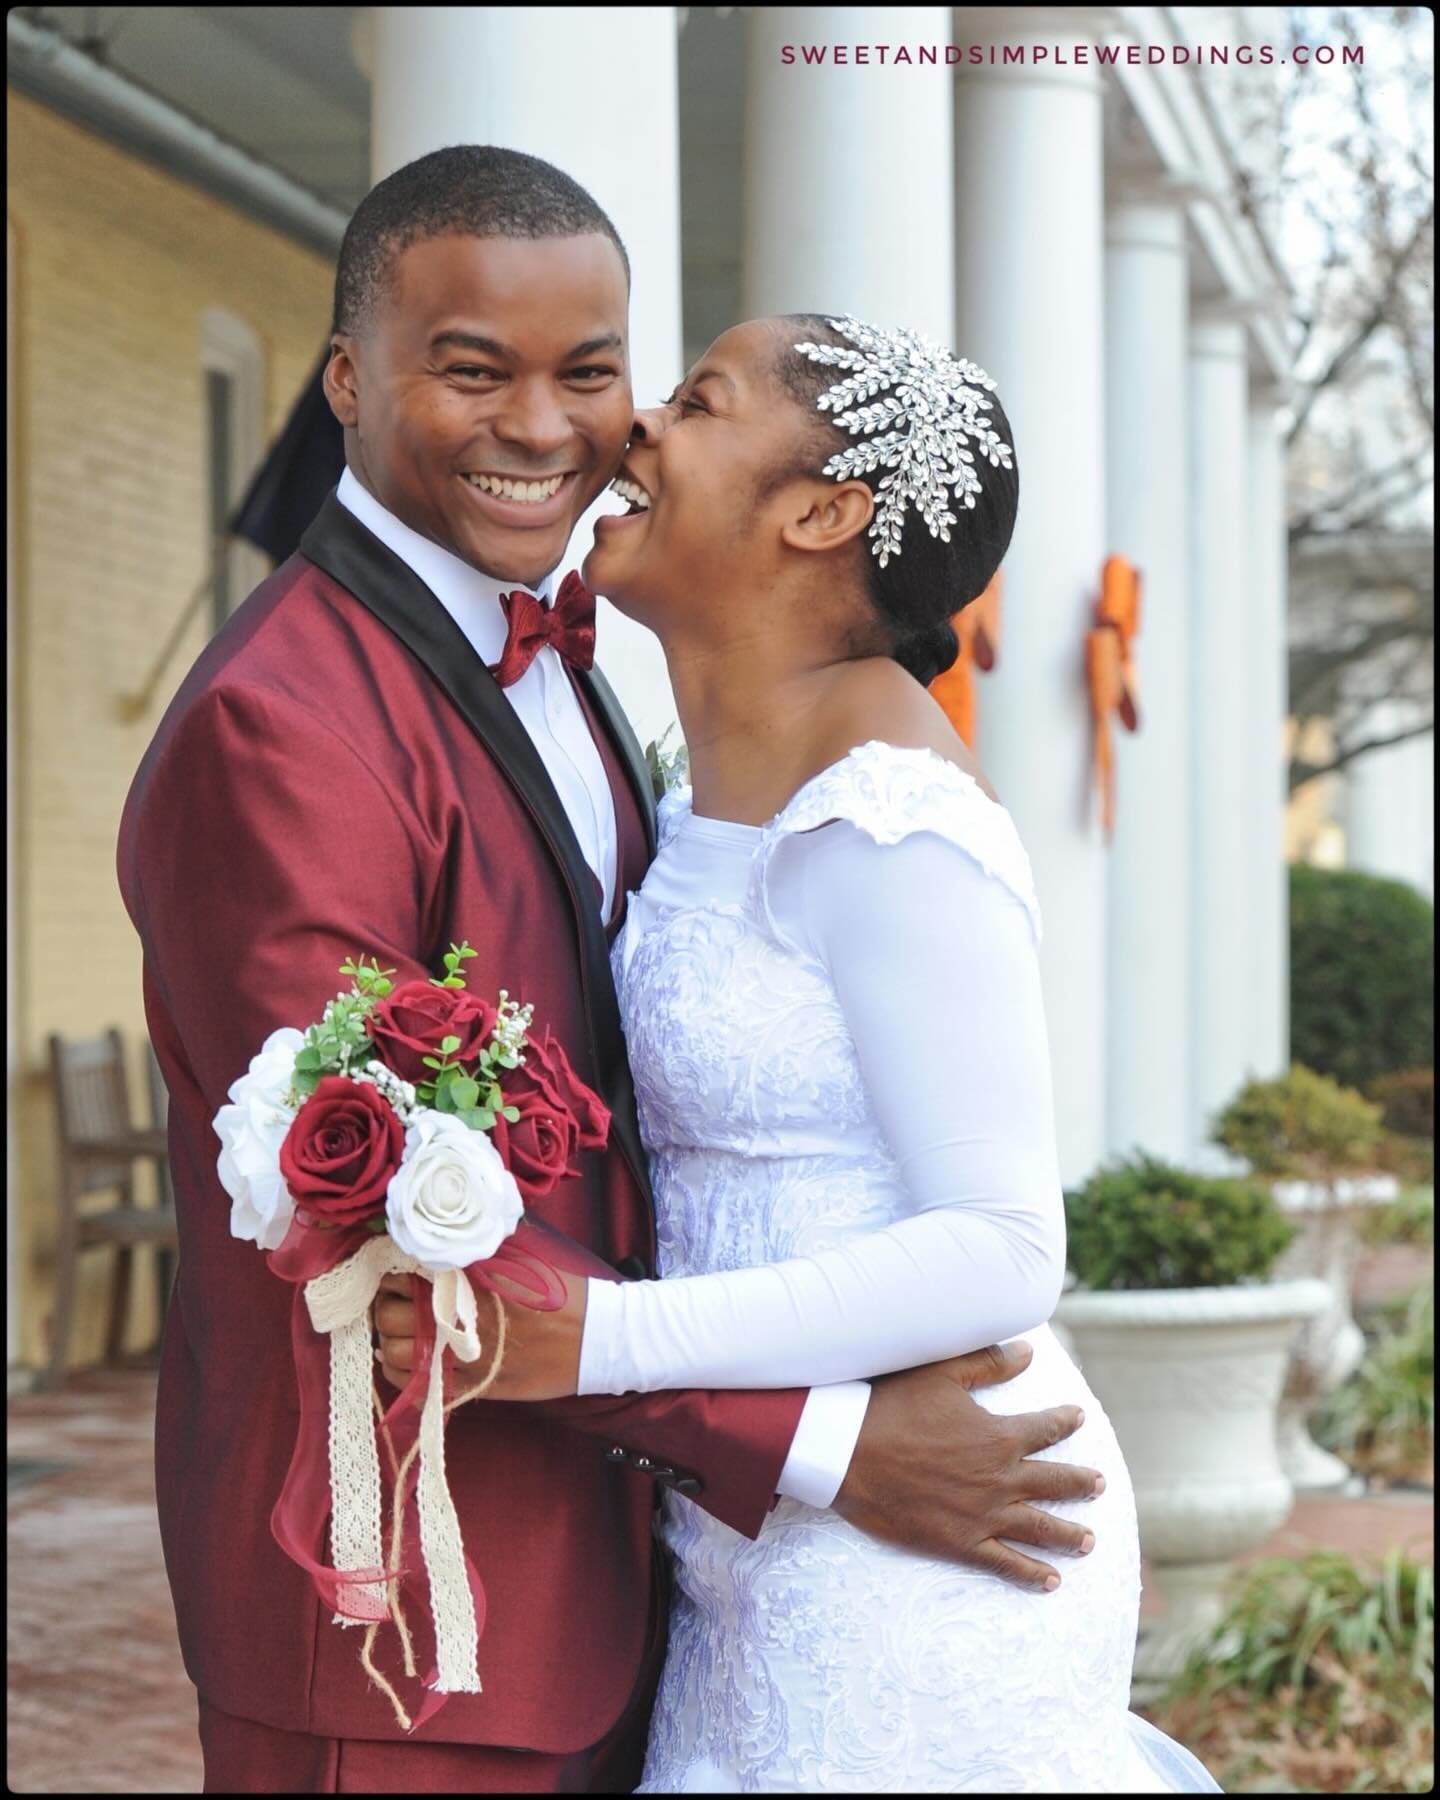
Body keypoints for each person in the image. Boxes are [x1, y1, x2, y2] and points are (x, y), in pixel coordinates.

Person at [118, 146, 1101, 1795]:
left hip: (648, 1581)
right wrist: (827, 1449)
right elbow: (364, 1225)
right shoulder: (280, 727)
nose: (559, 427)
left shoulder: (595, 674)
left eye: (596, 373)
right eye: (469, 369)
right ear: (347, 379)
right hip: (405, 1626)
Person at [378, 311, 1224, 1792]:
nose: (636, 423)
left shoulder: (889, 825)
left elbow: (1004, 1245)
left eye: (697, 403)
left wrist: (598, 1346)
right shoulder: (716, 788)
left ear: (823, 514)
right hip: (763, 1537)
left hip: (926, 1561)